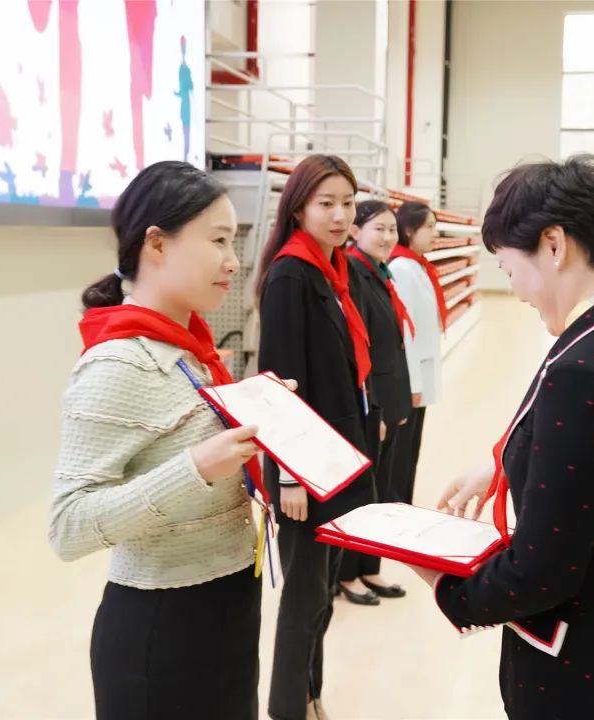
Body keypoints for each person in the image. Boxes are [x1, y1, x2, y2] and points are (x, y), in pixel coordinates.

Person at [417, 155, 594, 719]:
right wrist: (507, 461)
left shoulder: (587, 368)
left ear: (553, 245)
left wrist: (444, 582)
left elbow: (540, 574)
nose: (517, 292)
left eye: (507, 269)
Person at [48, 161, 270, 718]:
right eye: (218, 240)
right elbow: (67, 527)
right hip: (162, 626)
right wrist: (195, 468)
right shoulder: (118, 363)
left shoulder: (192, 350)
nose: (232, 260)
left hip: (229, 600)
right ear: (157, 244)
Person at [255, 154, 376, 720]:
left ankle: (310, 693)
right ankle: (287, 707)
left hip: (340, 458)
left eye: (347, 203)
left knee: (323, 597)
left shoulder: (334, 269)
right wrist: (289, 476)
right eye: (325, 203)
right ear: (298, 207)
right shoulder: (290, 274)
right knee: (303, 600)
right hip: (307, 470)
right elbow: (280, 384)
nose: (339, 214)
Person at [337, 200, 414, 604]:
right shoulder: (353, 272)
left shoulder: (379, 272)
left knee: (381, 489)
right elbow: (358, 345)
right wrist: (376, 408)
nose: (387, 237)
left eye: (392, 230)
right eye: (378, 229)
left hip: (391, 396)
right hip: (374, 403)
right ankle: (347, 575)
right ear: (356, 232)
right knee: (363, 494)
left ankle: (370, 567)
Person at [388, 201, 447, 505]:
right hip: (412, 379)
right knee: (401, 452)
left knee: (412, 448)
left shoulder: (417, 265)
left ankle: (405, 502)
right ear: (409, 230)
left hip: (419, 375)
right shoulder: (401, 268)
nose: (435, 233)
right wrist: (413, 384)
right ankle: (397, 504)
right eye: (429, 227)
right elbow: (405, 332)